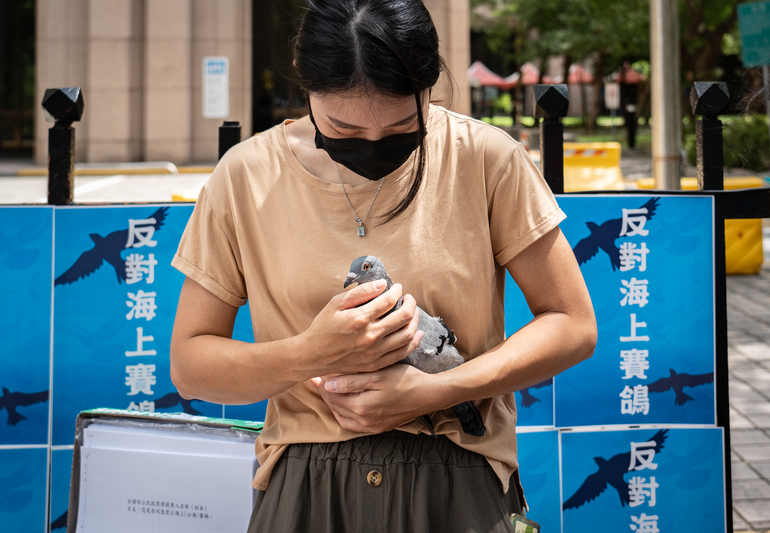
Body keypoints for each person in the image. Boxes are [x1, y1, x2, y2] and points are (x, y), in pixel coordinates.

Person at [170, 0, 596, 531]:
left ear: (430, 86)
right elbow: (190, 366)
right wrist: (309, 353)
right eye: (344, 129)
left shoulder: (485, 158)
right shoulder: (246, 175)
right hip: (304, 488)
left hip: (457, 479)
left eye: (401, 128)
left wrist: (438, 390)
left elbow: (572, 324)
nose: (374, 145)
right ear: (305, 88)